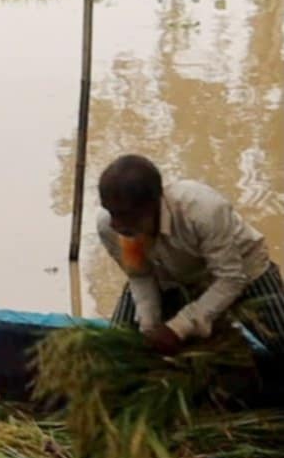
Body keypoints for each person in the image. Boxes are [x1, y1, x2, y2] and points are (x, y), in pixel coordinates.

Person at [96, 154, 284, 359]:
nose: (116, 224)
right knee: (117, 350)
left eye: (124, 214)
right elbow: (140, 277)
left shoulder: (202, 211)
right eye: (111, 212)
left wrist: (178, 327)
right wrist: (149, 328)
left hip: (241, 271)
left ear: (152, 204)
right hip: (171, 278)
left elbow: (230, 279)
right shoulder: (109, 227)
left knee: (280, 345)